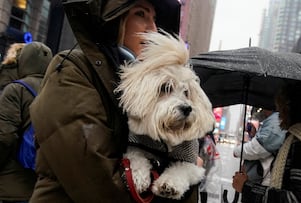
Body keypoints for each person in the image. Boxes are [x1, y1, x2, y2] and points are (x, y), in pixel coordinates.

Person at [28, 0, 199, 202]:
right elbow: (94, 176)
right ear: (115, 20)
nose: (153, 28)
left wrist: (184, 173)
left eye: (154, 19)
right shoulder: (73, 70)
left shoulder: (156, 89)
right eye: (141, 14)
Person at [232, 86, 301, 203]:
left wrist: (247, 187)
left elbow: (297, 199)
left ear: (296, 108)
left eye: (283, 108)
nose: (279, 115)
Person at [0, 42, 53, 203]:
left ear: (24, 61)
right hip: (44, 185)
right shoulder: (58, 90)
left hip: (13, 184)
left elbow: (5, 136)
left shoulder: (16, 89)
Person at [233, 108, 286, 186]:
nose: (263, 111)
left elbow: (257, 149)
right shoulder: (274, 119)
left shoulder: (276, 120)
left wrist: (237, 151)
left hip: (266, 179)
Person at [198, 132, 221, 203]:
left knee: (200, 186)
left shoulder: (206, 138)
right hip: (206, 164)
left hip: (203, 163)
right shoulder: (209, 137)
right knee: (203, 186)